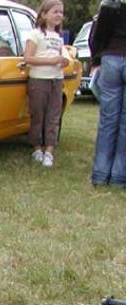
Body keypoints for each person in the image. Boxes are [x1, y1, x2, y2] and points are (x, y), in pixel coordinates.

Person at [23, 0, 70, 167]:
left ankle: (49, 150)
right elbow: (28, 58)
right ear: (44, 15)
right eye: (55, 12)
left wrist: (63, 61)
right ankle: (37, 147)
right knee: (38, 114)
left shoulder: (58, 37)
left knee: (53, 115)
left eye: (61, 12)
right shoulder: (35, 34)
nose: (59, 15)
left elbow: (60, 56)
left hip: (56, 79)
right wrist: (50, 61)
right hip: (39, 79)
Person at [90, 0, 126, 188]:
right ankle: (119, 177)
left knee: (107, 119)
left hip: (111, 57)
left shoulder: (111, 3)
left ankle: (100, 174)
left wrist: (96, 59)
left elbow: (99, 32)